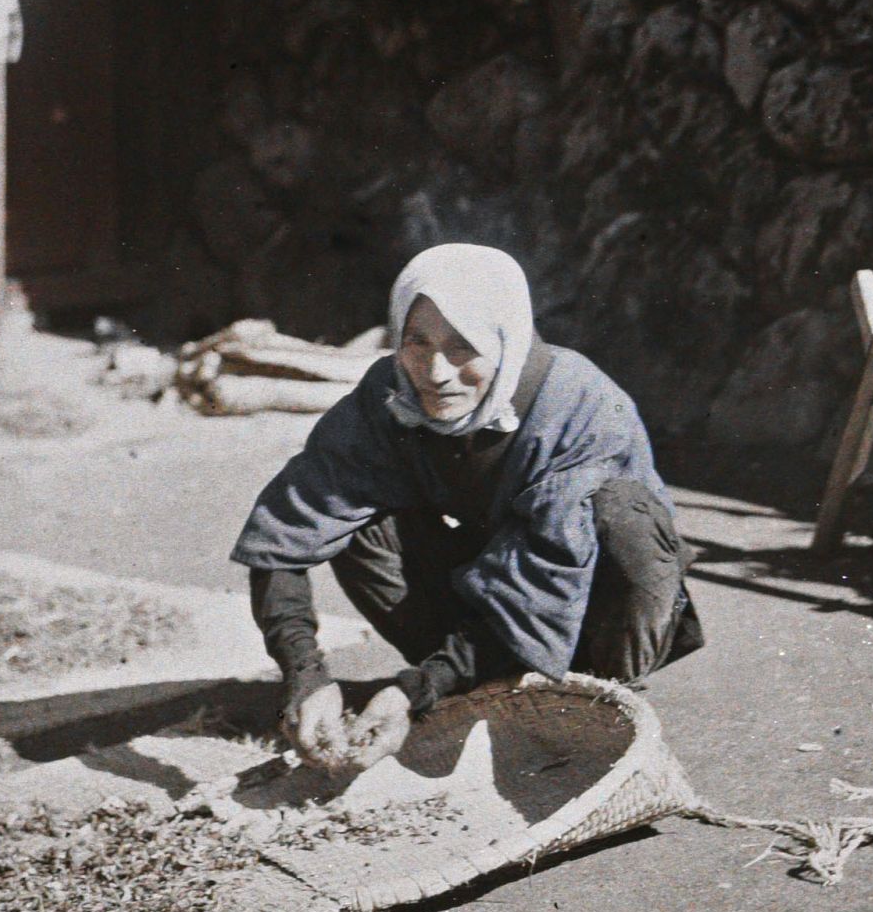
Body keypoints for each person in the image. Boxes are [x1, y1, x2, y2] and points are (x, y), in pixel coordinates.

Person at [231, 243, 704, 771]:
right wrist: (305, 675)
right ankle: (468, 680)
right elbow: (287, 532)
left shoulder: (579, 406)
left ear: (506, 341)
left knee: (622, 514)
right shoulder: (390, 393)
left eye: (464, 346)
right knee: (355, 517)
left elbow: (544, 585)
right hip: (489, 596)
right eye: (417, 342)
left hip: (586, 605)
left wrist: (414, 690)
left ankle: (600, 697)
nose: (436, 371)